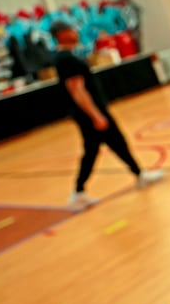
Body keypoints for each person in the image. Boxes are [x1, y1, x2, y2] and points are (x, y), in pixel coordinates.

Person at [50, 20, 162, 209]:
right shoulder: (66, 59)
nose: (75, 33)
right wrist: (95, 115)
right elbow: (76, 90)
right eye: (71, 30)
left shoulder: (67, 57)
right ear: (61, 35)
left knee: (108, 146)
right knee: (103, 148)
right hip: (90, 113)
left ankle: (136, 175)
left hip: (90, 112)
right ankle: (79, 192)